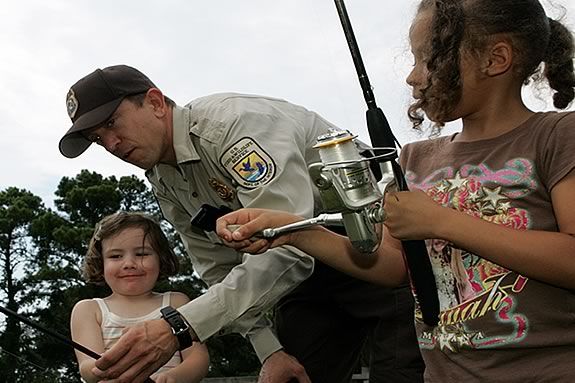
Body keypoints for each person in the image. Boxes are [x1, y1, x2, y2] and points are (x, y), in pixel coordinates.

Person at [216, 0, 575, 381]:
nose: (412, 76)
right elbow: (392, 266)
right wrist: (294, 230)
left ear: (496, 58)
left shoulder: (557, 137)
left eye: (427, 59)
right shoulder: (414, 158)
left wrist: (441, 221)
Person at [58, 65, 424, 382]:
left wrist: (179, 325)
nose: (111, 144)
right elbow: (216, 266)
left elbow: (290, 242)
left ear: (155, 102)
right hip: (303, 281)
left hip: (380, 252)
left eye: (111, 123)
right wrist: (268, 350)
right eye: (97, 139)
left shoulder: (233, 125)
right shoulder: (163, 179)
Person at [70, 211, 209, 383]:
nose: (129, 264)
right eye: (115, 256)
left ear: (161, 259)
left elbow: (198, 359)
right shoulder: (88, 310)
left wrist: (172, 377)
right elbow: (86, 366)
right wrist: (106, 369)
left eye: (142, 254)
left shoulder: (176, 302)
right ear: (101, 263)